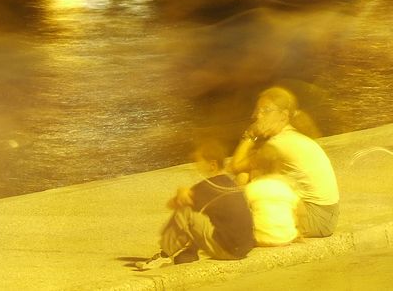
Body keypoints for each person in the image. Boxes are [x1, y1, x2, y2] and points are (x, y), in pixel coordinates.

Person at [230, 87, 339, 238]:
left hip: (317, 217)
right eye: (258, 111)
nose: (257, 116)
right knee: (251, 175)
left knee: (244, 175)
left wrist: (250, 134)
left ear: (283, 115)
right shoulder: (290, 136)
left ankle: (236, 225)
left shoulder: (279, 143)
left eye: (265, 110)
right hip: (326, 214)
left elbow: (235, 166)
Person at [136, 139, 255, 270]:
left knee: (186, 211)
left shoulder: (209, 186)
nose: (196, 166)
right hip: (245, 247)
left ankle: (164, 255)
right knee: (203, 213)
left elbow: (173, 205)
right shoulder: (229, 182)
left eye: (199, 162)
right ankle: (189, 254)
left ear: (212, 165)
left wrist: (180, 192)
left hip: (229, 251)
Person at [244, 143, 300, 247]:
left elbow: (244, 213)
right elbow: (297, 212)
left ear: (256, 165)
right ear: (280, 165)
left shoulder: (252, 187)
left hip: (260, 238)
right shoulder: (287, 186)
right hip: (287, 237)